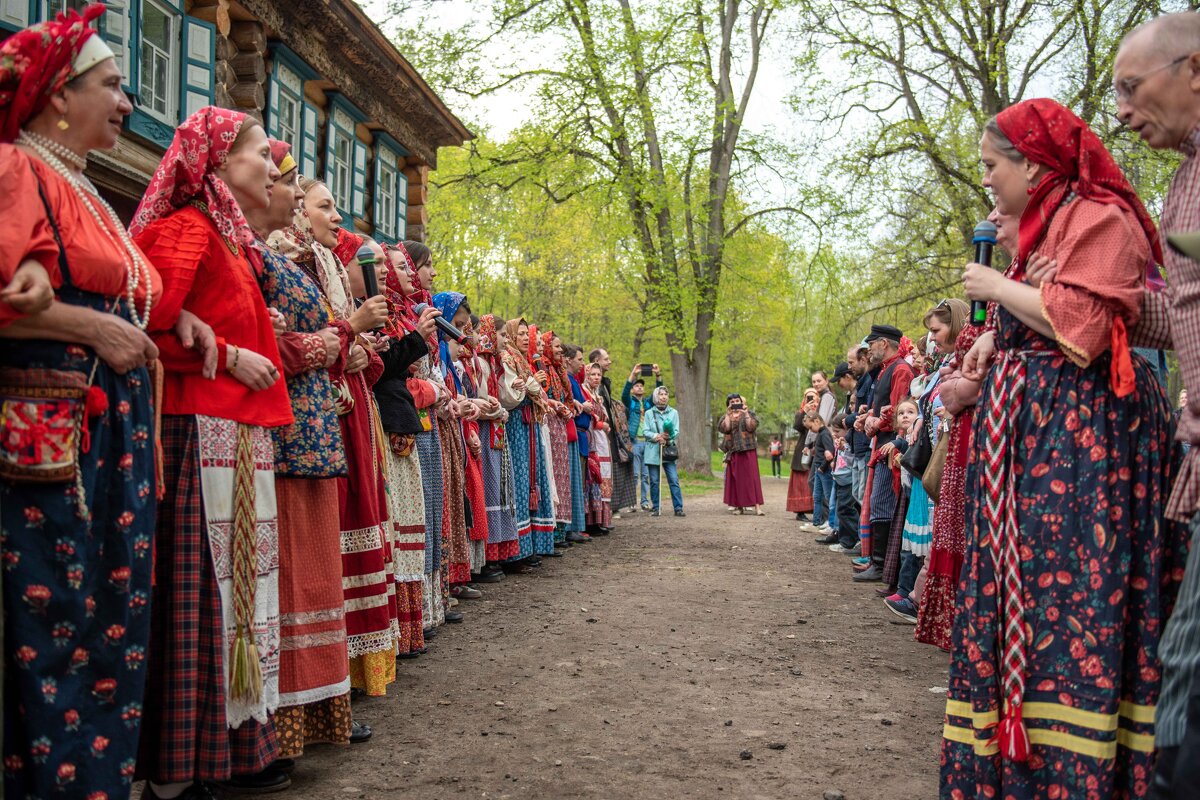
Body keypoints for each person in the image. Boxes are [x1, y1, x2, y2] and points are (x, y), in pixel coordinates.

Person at [943, 98, 1186, 798]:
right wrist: (999, 334)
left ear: (1031, 163)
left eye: (993, 166)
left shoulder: (1099, 218)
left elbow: (1081, 329)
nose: (988, 179)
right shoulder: (1050, 222)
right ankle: (1011, 753)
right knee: (1024, 586)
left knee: (1075, 591)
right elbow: (1051, 316)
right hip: (1040, 440)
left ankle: (1068, 767)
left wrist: (996, 289)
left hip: (1084, 447)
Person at [0, 9, 180, 796]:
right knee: (61, 612)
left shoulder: (78, 183)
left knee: (110, 607)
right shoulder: (15, 168)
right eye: (112, 84)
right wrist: (89, 328)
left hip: (108, 426)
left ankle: (97, 781)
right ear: (56, 97)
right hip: (57, 426)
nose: (127, 102)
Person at [132, 107, 295, 796]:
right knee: (205, 598)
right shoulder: (188, 229)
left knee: (237, 600)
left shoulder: (226, 239)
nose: (274, 162)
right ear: (220, 165)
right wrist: (227, 354)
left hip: (230, 432)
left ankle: (226, 752)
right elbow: (142, 322)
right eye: (260, 151)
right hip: (199, 428)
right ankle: (182, 769)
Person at [1113, 16, 1200, 796]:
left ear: (1196, 69)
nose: (1122, 112)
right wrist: (1103, 303)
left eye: (1132, 89)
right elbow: (1180, 316)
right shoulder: (1182, 181)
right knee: (1185, 661)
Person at [254, 142, 356, 763]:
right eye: (294, 186)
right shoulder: (263, 260)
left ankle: (316, 710)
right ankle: (283, 721)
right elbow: (276, 347)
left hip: (311, 433)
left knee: (312, 572)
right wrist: (340, 338)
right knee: (292, 575)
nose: (293, 194)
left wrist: (339, 338)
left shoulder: (290, 262)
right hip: (287, 435)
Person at [886, 298, 969, 626]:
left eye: (936, 330)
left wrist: (947, 412)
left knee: (946, 535)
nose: (931, 338)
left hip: (955, 458)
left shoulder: (964, 363)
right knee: (940, 534)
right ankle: (926, 603)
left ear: (958, 325)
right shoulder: (948, 364)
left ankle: (931, 606)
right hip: (940, 458)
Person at [854, 325, 913, 583]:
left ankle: (882, 564)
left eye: (871, 346)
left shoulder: (899, 369)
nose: (869, 352)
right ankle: (880, 563)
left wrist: (878, 421)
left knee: (882, 502)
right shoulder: (886, 370)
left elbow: (901, 408)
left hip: (891, 446)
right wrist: (867, 417)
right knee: (877, 502)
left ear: (882, 343)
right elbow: (884, 407)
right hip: (881, 445)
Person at [589, 348, 637, 514]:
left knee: (616, 465)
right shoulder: (592, 387)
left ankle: (610, 507)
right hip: (599, 433)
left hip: (610, 433)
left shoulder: (605, 385)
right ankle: (604, 509)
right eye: (606, 359)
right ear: (596, 360)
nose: (609, 362)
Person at [622, 363, 662, 509]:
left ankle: (644, 501)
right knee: (634, 474)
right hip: (635, 442)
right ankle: (632, 502)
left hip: (648, 442)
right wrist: (633, 374)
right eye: (636, 386)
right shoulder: (630, 403)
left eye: (641, 386)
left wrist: (658, 375)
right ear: (633, 389)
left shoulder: (648, 403)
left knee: (646, 475)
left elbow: (659, 393)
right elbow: (624, 394)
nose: (639, 387)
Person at [640, 385, 684, 517]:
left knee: (673, 479)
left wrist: (667, 437)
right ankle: (656, 507)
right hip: (653, 450)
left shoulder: (673, 412)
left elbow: (676, 430)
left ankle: (678, 508)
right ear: (655, 397)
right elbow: (645, 430)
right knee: (654, 480)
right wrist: (656, 436)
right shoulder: (648, 413)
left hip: (668, 450)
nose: (664, 397)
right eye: (661, 394)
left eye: (666, 394)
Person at [718, 394, 765, 515]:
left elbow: (751, 427)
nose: (735, 403)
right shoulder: (726, 416)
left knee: (752, 478)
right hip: (734, 451)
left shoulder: (749, 413)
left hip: (748, 450)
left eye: (737, 400)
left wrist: (746, 413)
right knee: (737, 479)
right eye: (732, 401)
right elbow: (725, 428)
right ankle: (739, 507)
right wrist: (728, 414)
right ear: (729, 404)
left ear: (741, 402)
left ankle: (757, 507)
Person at [582, 362, 614, 531]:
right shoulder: (585, 391)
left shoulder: (597, 394)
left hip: (602, 440)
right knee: (594, 475)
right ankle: (592, 521)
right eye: (592, 374)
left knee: (604, 475)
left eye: (598, 375)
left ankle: (602, 519)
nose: (596, 377)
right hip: (593, 437)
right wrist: (602, 425)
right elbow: (592, 418)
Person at [844, 344, 875, 503]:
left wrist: (848, 420)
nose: (849, 367)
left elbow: (869, 411)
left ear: (863, 360)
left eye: (851, 363)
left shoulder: (870, 380)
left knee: (863, 496)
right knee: (857, 494)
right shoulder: (863, 381)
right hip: (857, 446)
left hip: (864, 445)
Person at [786, 388, 819, 521]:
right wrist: (804, 411)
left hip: (817, 447)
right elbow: (798, 426)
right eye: (807, 397)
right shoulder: (800, 413)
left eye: (813, 397)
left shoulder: (822, 411)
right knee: (801, 482)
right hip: (803, 450)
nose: (810, 400)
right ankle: (800, 511)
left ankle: (817, 510)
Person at [804, 410, 836, 538]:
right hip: (818, 468)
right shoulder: (820, 433)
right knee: (817, 496)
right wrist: (808, 446)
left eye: (811, 427)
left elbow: (830, 452)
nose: (811, 430)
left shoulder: (825, 434)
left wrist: (823, 468)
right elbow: (818, 445)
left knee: (828, 496)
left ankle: (830, 522)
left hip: (824, 470)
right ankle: (816, 521)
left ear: (817, 421)